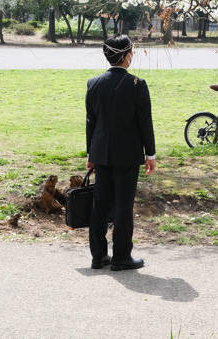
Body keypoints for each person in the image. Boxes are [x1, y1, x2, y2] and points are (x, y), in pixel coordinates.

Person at [85, 34, 157, 271]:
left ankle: (98, 256)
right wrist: (151, 154)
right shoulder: (137, 84)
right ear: (127, 56)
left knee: (100, 204)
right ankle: (121, 256)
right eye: (132, 53)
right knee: (123, 205)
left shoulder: (93, 83)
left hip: (101, 153)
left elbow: (91, 121)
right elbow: (145, 122)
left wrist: (91, 154)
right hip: (127, 154)